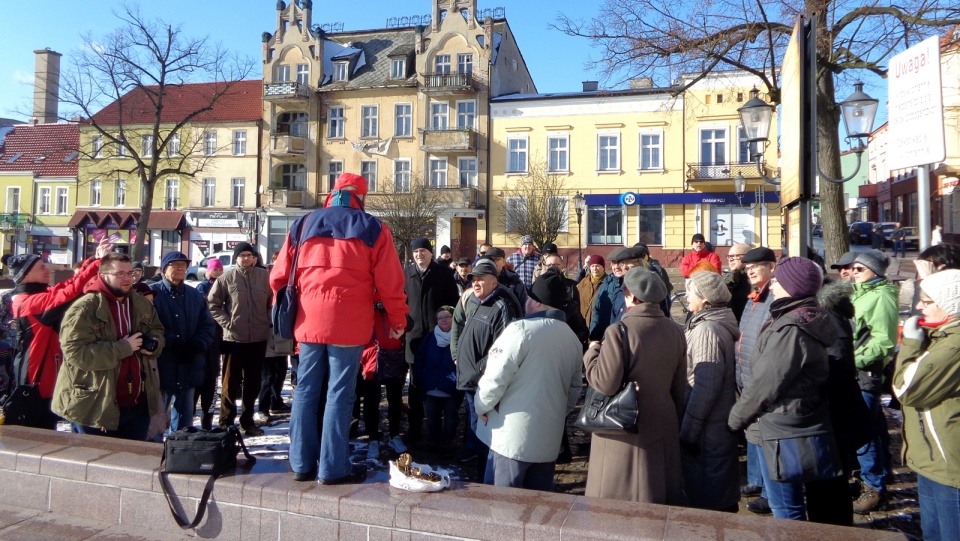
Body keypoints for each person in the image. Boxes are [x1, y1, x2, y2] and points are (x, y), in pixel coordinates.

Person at [270, 172, 407, 484]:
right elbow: (391, 284)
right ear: (361, 196)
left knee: (305, 390)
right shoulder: (374, 228)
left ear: (333, 193)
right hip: (350, 323)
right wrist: (397, 322)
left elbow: (278, 277)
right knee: (340, 393)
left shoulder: (303, 223)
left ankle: (301, 464)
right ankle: (332, 468)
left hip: (307, 321)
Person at [728, 256, 843, 520]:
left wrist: (735, 419)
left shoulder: (790, 327)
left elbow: (767, 382)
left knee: (785, 508)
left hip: (782, 424)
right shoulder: (803, 316)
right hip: (796, 418)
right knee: (790, 503)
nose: (774, 285)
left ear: (793, 285)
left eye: (779, 280)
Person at [583, 267, 687, 504]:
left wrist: (592, 353)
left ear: (630, 296)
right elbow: (679, 387)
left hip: (623, 429)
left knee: (618, 505)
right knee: (656, 495)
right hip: (662, 423)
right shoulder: (676, 330)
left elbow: (604, 383)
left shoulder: (619, 331)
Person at [474, 272, 583, 490]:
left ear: (536, 302)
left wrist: (480, 406)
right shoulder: (572, 338)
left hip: (510, 439)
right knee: (536, 509)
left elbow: (494, 380)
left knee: (501, 509)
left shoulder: (520, 331)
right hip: (548, 441)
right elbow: (573, 392)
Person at [52, 253, 165, 440]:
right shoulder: (84, 308)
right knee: (96, 465)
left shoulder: (140, 303)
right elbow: (75, 352)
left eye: (130, 273)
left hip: (137, 404)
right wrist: (124, 348)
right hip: (95, 405)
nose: (127, 278)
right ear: (103, 275)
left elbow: (157, 330)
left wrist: (154, 344)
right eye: (120, 274)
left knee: (131, 464)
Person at [9, 239, 113, 429]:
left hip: (43, 380)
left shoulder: (34, 296)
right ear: (25, 275)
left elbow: (69, 285)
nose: (48, 271)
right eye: (41, 268)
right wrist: (97, 262)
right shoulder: (29, 302)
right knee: (38, 440)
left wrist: (92, 261)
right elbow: (70, 292)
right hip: (36, 384)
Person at [893, 269, 960, 541]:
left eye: (928, 301)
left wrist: (910, 344)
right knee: (932, 533)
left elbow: (905, 389)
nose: (920, 307)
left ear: (951, 305)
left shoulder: (953, 346)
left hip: (949, 463)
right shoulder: (941, 337)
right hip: (932, 456)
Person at [454, 259, 522, 476]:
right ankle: (481, 474)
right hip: (472, 382)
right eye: (473, 279)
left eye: (480, 279)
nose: (475, 283)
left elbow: (502, 349)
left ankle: (487, 481)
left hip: (484, 383)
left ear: (494, 282)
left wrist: (477, 368)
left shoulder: (500, 307)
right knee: (476, 430)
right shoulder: (478, 303)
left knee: (486, 434)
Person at [680, 270, 740, 512]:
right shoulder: (712, 323)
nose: (685, 296)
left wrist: (688, 433)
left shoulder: (707, 330)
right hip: (713, 428)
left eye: (690, 291)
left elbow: (706, 386)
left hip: (706, 433)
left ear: (705, 298)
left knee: (709, 505)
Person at [849, 249, 899, 513]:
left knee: (863, 431)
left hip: (864, 373)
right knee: (874, 426)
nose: (853, 273)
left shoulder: (880, 296)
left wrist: (852, 360)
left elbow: (884, 341)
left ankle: (874, 487)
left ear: (875, 272)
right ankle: (881, 477)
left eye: (860, 269)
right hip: (857, 371)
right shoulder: (861, 292)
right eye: (853, 269)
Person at [208, 241, 273, 437]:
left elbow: (273, 302)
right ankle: (226, 422)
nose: (246, 258)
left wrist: (268, 320)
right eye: (242, 255)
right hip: (233, 340)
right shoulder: (227, 278)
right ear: (236, 258)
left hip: (258, 339)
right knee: (230, 384)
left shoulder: (265, 277)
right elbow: (213, 304)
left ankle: (248, 421)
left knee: (253, 384)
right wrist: (228, 324)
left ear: (255, 258)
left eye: (249, 255)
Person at [149, 251, 216, 433]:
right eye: (175, 264)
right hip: (163, 363)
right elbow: (149, 326)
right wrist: (173, 343)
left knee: (185, 420)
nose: (180, 268)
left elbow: (208, 326)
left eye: (183, 265)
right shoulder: (152, 294)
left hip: (190, 363)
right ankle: (153, 455)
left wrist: (196, 345)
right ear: (164, 268)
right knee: (155, 419)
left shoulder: (194, 296)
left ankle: (180, 454)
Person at [734, 246, 778, 513]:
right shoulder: (754, 297)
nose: (750, 270)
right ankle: (756, 481)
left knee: (764, 437)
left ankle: (771, 494)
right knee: (753, 433)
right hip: (747, 376)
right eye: (747, 267)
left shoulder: (773, 298)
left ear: (771, 268)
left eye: (756, 266)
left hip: (761, 378)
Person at [404, 236, 459, 443]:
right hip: (414, 337)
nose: (419, 254)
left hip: (439, 337)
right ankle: (415, 427)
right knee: (415, 384)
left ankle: (442, 430)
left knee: (441, 379)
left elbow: (452, 304)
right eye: (416, 251)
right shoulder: (406, 274)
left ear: (430, 253)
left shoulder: (443, 274)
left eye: (423, 251)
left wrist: (446, 325)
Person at [413, 306, 463, 448]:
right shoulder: (429, 338)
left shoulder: (460, 338)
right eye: (440, 318)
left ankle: (448, 444)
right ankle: (434, 444)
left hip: (451, 387)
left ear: (454, 318)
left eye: (447, 316)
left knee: (451, 419)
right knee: (432, 419)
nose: (444, 320)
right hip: (430, 387)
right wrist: (423, 377)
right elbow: (419, 359)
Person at [195, 258, 224, 429]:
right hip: (203, 345)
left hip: (216, 339)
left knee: (211, 385)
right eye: (216, 270)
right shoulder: (202, 287)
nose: (218, 272)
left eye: (220, 270)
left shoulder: (224, 284)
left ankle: (208, 424)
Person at [723, 243, 752, 322]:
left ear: (747, 257)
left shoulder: (752, 280)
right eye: (729, 256)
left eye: (735, 256)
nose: (730, 259)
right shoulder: (729, 279)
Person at [577, 254, 605, 330]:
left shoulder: (608, 283)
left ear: (603, 268)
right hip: (583, 324)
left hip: (600, 325)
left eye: (598, 266)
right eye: (592, 266)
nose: (595, 268)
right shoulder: (584, 282)